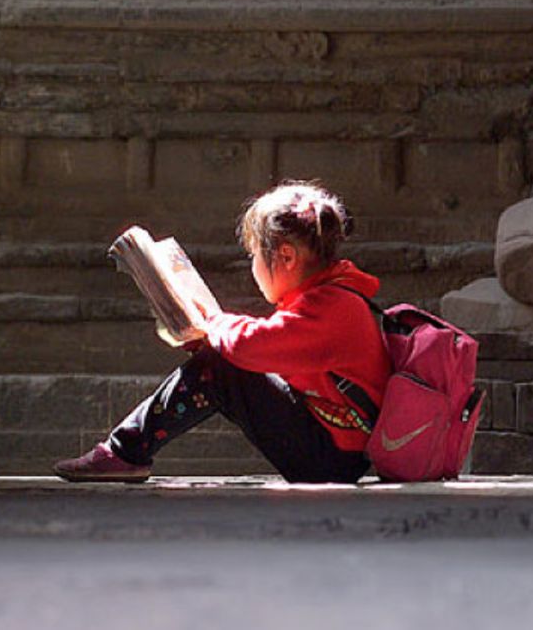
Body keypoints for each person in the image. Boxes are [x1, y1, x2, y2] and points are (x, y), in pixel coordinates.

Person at [54, 180, 391, 484]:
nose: (253, 267)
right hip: (334, 450)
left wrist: (212, 323)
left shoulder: (333, 306)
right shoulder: (329, 297)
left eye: (255, 255)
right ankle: (125, 451)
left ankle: (124, 452)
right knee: (220, 360)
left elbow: (247, 347)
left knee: (221, 366)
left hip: (332, 459)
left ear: (286, 256)